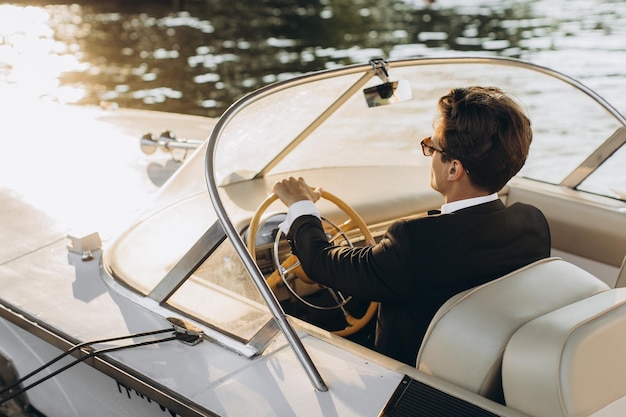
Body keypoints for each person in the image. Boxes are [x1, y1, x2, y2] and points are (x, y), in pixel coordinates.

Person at [273, 86, 551, 366]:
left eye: (431, 147)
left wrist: (301, 205)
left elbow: (319, 263)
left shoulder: (413, 242)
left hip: (404, 381)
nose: (428, 155)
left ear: (453, 169)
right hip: (477, 367)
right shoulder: (532, 224)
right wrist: (381, 259)